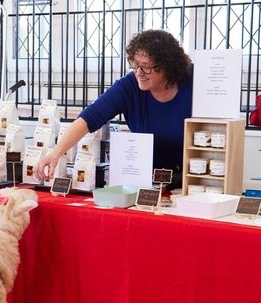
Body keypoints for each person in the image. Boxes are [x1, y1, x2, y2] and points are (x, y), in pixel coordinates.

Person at [35, 29, 193, 187]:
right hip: (150, 180)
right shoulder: (128, 87)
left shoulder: (192, 81)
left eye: (146, 67)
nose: (139, 73)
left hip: (195, 177)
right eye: (135, 65)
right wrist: (55, 153)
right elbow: (88, 118)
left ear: (168, 66)